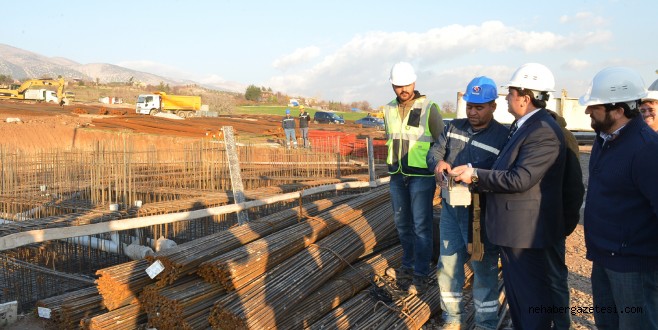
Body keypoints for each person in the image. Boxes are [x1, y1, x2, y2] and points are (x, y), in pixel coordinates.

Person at [450, 63, 567, 329]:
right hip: (513, 232)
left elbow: (520, 178)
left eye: (511, 92)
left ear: (525, 98)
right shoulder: (524, 125)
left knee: (530, 299)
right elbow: (507, 167)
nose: (506, 98)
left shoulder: (542, 131)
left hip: (524, 234)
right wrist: (472, 169)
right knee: (519, 299)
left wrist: (476, 176)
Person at [426, 76, 508, 330]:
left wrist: (474, 174)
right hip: (451, 210)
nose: (472, 112)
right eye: (470, 106)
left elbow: (502, 174)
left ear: (493, 106)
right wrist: (438, 164)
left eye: (479, 107)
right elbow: (435, 151)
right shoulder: (453, 127)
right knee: (448, 264)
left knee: (483, 270)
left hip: (480, 215)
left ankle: (485, 324)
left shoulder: (503, 137)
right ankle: (452, 318)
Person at [579, 67, 658, 329]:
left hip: (633, 266)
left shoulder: (646, 149)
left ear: (619, 109)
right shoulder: (604, 141)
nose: (588, 111)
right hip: (603, 257)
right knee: (607, 323)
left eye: (595, 107)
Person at [382, 61, 444, 295]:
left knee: (421, 227)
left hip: (421, 177)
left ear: (414, 82)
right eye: (398, 86)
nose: (402, 89)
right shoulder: (387, 110)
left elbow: (441, 142)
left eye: (406, 84)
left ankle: (420, 273)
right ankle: (406, 267)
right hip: (397, 176)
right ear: (393, 86)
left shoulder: (429, 107)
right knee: (402, 225)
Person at [546, 109, 585, 330]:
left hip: (552, 222)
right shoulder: (523, 130)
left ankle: (562, 324)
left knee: (554, 276)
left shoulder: (563, 136)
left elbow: (574, 186)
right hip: (530, 222)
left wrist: (566, 224)